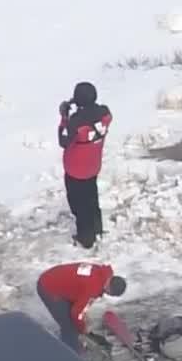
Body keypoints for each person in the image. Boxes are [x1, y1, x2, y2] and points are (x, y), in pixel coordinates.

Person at [58, 81, 113, 249]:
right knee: (91, 196)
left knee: (79, 203)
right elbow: (94, 116)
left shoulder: (76, 121)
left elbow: (63, 140)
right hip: (93, 165)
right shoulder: (105, 114)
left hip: (75, 170)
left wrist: (64, 117)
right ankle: (97, 228)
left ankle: (86, 237)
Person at [36, 261, 127, 352]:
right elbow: (76, 313)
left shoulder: (101, 272)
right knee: (70, 328)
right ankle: (68, 353)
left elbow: (82, 290)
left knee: (75, 320)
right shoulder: (93, 288)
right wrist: (82, 329)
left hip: (53, 276)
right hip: (48, 289)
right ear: (110, 291)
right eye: (111, 295)